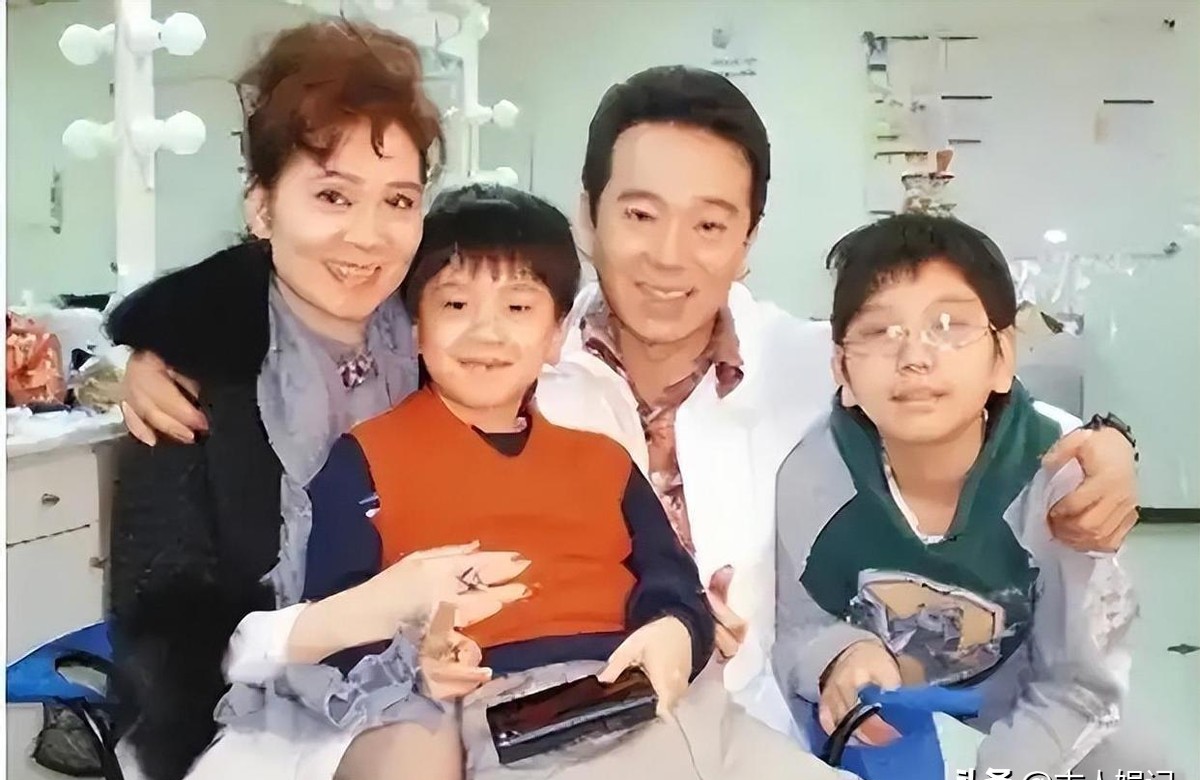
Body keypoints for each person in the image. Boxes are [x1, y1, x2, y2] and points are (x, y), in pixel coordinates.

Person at [118, 65, 1141, 737]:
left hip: (768, 731)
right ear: (589, 214)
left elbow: (958, 398)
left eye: (710, 224)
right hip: (533, 734)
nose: (669, 256)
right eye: (641, 214)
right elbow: (338, 296)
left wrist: (1107, 443)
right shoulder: (507, 357)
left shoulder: (810, 363)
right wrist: (158, 347)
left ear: (749, 239)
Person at [300, 181, 898, 780]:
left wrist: (675, 631)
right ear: (415, 328)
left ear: (556, 335)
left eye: (518, 307)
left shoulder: (602, 461)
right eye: (455, 304)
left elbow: (671, 581)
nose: (486, 331)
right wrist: (411, 664)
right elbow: (330, 622)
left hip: (678, 704)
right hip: (524, 729)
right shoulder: (367, 459)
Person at [106, 20, 527, 780]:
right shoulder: (197, 372)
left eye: (398, 201)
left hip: (438, 677)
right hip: (239, 717)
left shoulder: (444, 341)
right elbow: (167, 640)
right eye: (333, 195)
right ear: (263, 207)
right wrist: (366, 612)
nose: (368, 236)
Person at [771, 214, 1189, 780]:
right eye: (881, 331)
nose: (914, 356)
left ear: (1002, 358)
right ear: (842, 371)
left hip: (1022, 694)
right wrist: (837, 654)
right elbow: (795, 629)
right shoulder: (812, 477)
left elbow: (1080, 682)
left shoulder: (1063, 477)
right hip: (883, 704)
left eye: (949, 326)